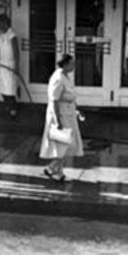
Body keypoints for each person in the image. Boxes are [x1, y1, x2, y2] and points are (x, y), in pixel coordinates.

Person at [40, 54, 84, 182]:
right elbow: (54, 100)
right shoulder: (58, 78)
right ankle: (55, 170)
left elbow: (70, 95)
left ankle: (54, 169)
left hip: (68, 113)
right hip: (60, 114)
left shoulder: (66, 76)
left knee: (65, 144)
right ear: (65, 64)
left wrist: (77, 108)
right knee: (62, 144)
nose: (74, 66)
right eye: (72, 64)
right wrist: (58, 120)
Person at [0, 14, 20, 118]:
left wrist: (17, 67)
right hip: (2, 66)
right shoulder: (1, 36)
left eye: (0, 23)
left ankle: (13, 110)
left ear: (5, 22)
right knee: (3, 89)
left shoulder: (12, 35)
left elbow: (16, 52)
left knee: (10, 90)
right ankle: (8, 108)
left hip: (10, 66)